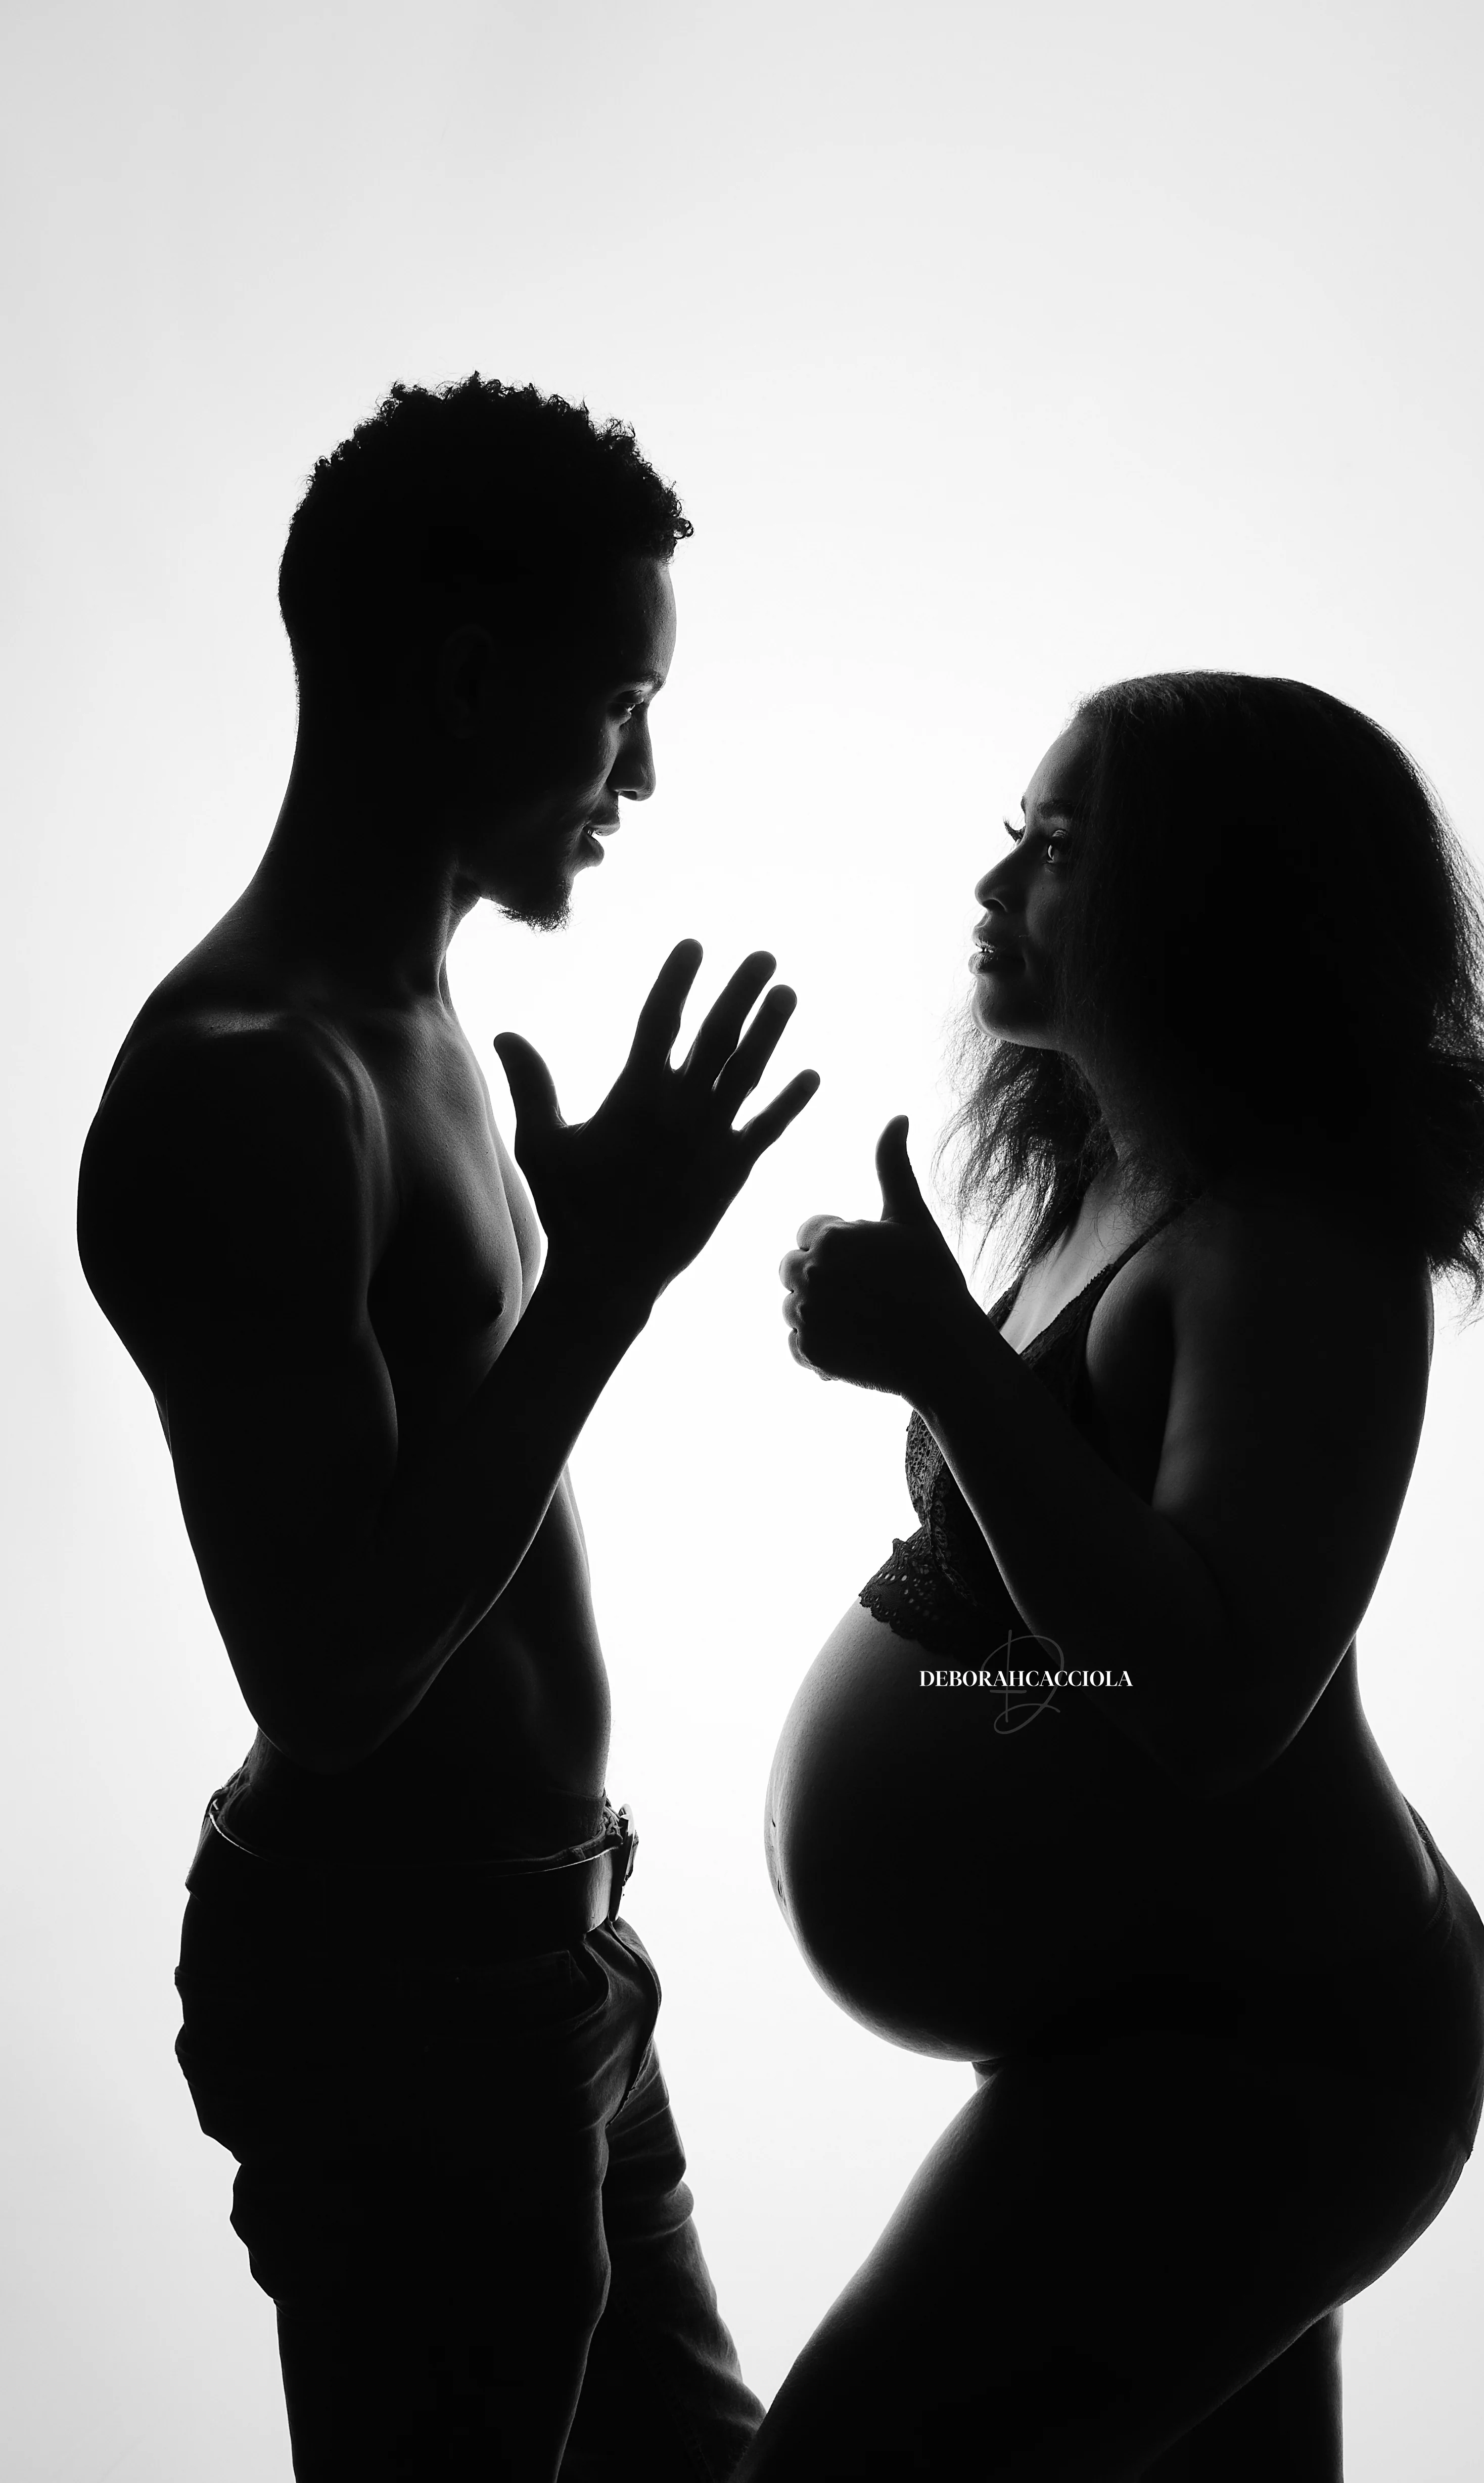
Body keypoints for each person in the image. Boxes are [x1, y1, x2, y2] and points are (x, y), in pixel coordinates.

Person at [77, 375, 818, 2482]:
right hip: (406, 2008)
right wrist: (602, 1290)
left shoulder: (429, 1036)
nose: (644, 773)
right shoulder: (251, 1089)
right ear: (473, 682)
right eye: (617, 706)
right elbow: (325, 1677)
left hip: (549, 1960)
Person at [762, 671, 1484, 2479]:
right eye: (1013, 839)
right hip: (1140, 2036)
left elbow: (1213, 1699)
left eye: (1059, 849)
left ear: (1203, 901)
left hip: (1267, 2054)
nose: (998, 883)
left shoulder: (1299, 1240)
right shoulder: (1131, 1180)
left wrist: (948, 1364)